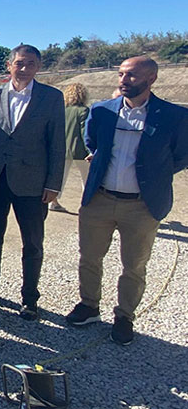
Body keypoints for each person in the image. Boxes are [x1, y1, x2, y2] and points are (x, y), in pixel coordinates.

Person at [65, 56, 188, 345]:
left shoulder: (174, 116)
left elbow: (181, 156)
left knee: (134, 264)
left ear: (151, 79)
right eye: (121, 74)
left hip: (142, 205)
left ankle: (124, 316)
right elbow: (92, 141)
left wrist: (152, 174)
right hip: (100, 199)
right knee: (90, 257)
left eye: (132, 75)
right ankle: (89, 306)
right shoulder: (101, 111)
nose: (123, 80)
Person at [0, 44, 65, 321]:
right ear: (9, 65)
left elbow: (57, 144)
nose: (24, 68)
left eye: (31, 64)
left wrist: (53, 184)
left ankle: (30, 298)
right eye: (19, 63)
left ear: (38, 67)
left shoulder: (51, 98)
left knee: (32, 243)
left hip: (33, 183)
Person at [50, 83, 91, 213]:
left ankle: (54, 202)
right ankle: (86, 205)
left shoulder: (61, 110)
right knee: (86, 179)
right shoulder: (83, 111)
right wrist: (90, 150)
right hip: (80, 151)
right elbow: (85, 132)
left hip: (62, 148)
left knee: (60, 178)